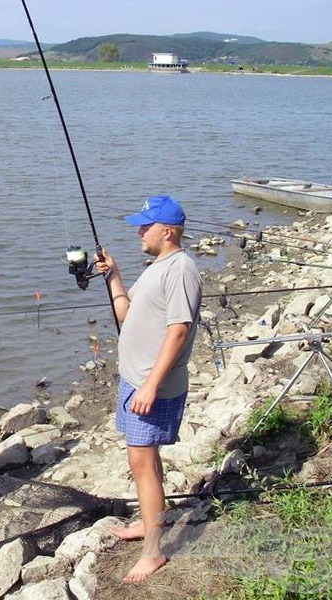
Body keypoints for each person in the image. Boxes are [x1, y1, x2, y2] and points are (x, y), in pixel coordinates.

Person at [92, 195, 202, 583]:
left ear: (167, 231)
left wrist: (151, 385)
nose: (139, 231)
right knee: (141, 461)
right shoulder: (157, 267)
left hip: (151, 385)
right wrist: (115, 277)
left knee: (142, 463)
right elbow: (125, 314)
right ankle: (148, 522)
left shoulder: (182, 269)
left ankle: (153, 552)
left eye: (145, 226)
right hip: (134, 380)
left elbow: (179, 330)